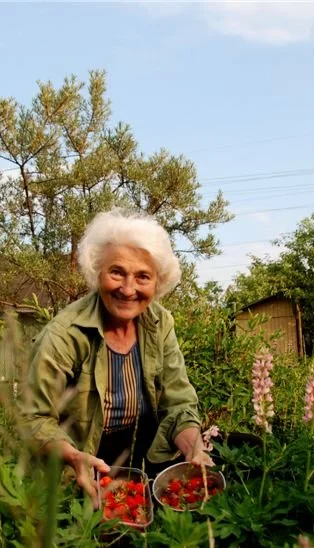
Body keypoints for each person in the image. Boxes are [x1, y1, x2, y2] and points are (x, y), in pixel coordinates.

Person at [20, 208, 214, 508]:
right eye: (117, 272)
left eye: (143, 277)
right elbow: (34, 419)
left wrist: (194, 451)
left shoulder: (160, 324)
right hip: (84, 465)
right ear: (97, 271)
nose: (128, 289)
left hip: (146, 462)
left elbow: (178, 404)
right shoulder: (64, 334)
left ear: (157, 282)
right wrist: (73, 458)